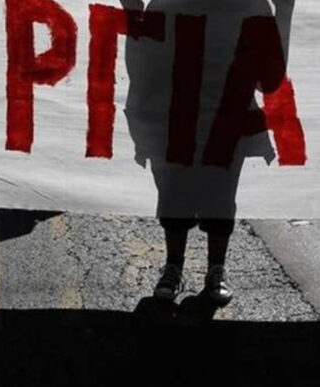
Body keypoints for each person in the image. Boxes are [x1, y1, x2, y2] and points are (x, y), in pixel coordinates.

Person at [123, 0, 293, 306]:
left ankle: (216, 269)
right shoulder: (167, 5)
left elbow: (270, 79)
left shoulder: (251, 8)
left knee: (220, 198)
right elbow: (143, 68)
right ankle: (174, 267)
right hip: (175, 121)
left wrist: (284, 12)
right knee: (174, 197)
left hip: (227, 122)